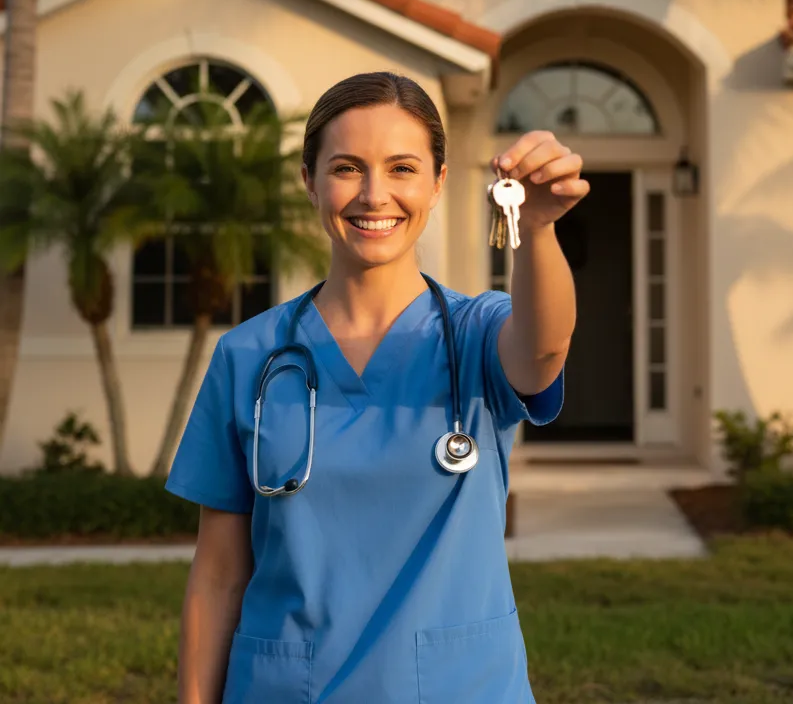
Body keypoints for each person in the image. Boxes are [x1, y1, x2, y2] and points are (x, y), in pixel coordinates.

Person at [166, 70, 589, 703]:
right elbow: (219, 574)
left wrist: (541, 228)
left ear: (438, 183)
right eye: (345, 168)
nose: (373, 195)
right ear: (309, 181)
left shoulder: (476, 335)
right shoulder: (247, 355)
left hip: (458, 688)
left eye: (401, 169)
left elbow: (544, 351)